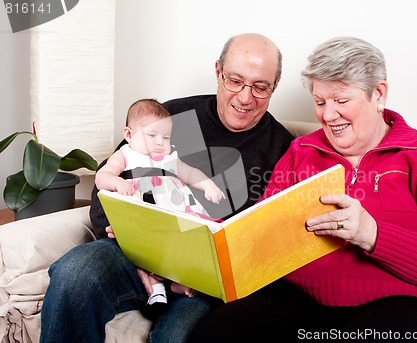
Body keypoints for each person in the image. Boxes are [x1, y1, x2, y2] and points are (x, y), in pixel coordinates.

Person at [187, 36, 417, 343]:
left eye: (341, 101)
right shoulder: (301, 151)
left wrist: (372, 233)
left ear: (378, 94)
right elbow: (261, 235)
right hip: (305, 306)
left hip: (408, 309)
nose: (327, 115)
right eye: (320, 102)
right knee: (216, 331)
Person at [40, 33, 295, 343]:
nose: (244, 97)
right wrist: (138, 257)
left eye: (260, 87)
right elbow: (105, 186)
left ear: (274, 87)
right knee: (74, 273)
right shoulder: (169, 117)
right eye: (235, 81)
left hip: (203, 285)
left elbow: (274, 243)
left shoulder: (285, 150)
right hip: (134, 253)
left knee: (178, 335)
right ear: (218, 71)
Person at [95, 98, 225, 311]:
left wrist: (208, 186)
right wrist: (117, 183)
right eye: (152, 135)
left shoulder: (170, 158)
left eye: (165, 137)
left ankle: (181, 282)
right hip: (146, 218)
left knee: (191, 245)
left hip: (176, 218)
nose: (159, 142)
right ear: (129, 135)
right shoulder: (126, 155)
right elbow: (102, 177)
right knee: (147, 255)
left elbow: (190, 173)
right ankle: (156, 292)